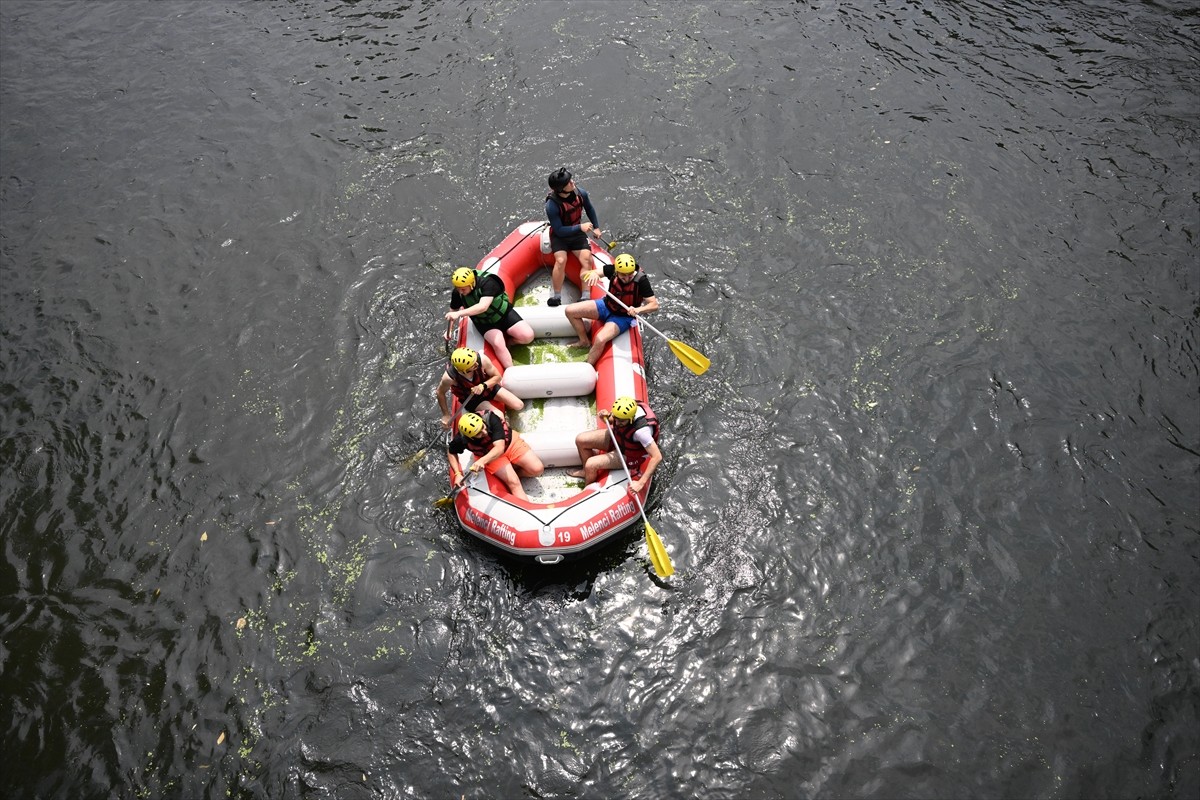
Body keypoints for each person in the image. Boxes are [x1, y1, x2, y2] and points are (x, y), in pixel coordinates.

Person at [564, 253, 658, 366]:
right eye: (623, 275)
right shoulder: (611, 269)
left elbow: (654, 305)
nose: (627, 278)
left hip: (623, 317)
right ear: (617, 271)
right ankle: (584, 341)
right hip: (606, 306)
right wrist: (592, 274)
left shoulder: (642, 281)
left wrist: (638, 310)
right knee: (570, 311)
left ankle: (588, 366)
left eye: (630, 275)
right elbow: (584, 276)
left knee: (600, 339)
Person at [568, 396, 662, 496]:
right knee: (580, 439)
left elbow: (657, 457)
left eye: (621, 421)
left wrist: (640, 483)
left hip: (629, 455)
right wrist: (607, 416)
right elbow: (613, 420)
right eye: (616, 418)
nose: (616, 422)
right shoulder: (623, 411)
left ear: (631, 419)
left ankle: (588, 491)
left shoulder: (642, 432)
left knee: (591, 464)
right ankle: (586, 472)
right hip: (619, 438)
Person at [445, 267, 534, 370]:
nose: (460, 292)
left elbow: (483, 307)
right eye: (458, 288)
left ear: (471, 284)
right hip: (484, 323)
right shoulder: (457, 293)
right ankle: (511, 370)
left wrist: (459, 313)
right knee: (498, 344)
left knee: (528, 336)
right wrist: (449, 330)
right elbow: (453, 310)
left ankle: (510, 342)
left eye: (463, 289)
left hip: (503, 314)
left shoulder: (489, 283)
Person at [448, 411, 544, 501]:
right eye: (478, 433)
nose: (484, 432)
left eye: (483, 427)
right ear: (471, 437)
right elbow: (451, 452)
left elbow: (499, 448)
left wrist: (482, 461)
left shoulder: (491, 418)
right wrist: (457, 474)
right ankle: (525, 506)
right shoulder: (461, 439)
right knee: (514, 483)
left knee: (537, 469)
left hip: (510, 444)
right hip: (491, 457)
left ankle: (516, 473)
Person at [545, 167, 602, 307]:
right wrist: (580, 227)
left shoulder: (581, 193)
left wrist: (596, 227)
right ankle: (557, 296)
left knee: (587, 260)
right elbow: (559, 230)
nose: (572, 182)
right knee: (560, 260)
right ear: (561, 189)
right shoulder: (552, 205)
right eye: (568, 182)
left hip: (576, 234)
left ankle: (585, 296)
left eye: (571, 179)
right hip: (560, 236)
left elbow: (589, 208)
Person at [436, 347, 524, 431]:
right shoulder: (449, 378)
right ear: (464, 370)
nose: (477, 364)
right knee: (500, 416)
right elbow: (440, 392)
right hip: (472, 399)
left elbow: (497, 377)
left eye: (475, 362)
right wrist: (446, 415)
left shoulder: (482, 359)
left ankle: (504, 408)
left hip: (487, 388)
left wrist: (483, 386)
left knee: (519, 405)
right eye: (473, 365)